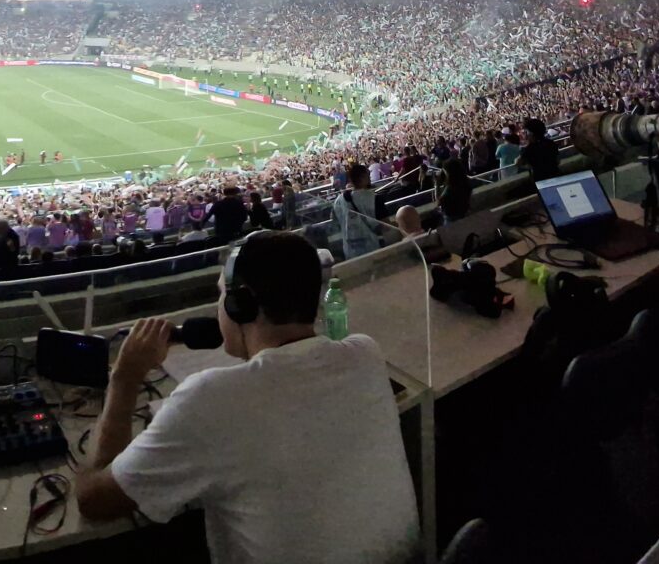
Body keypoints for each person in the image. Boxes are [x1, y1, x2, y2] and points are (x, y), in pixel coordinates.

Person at [76, 231, 417, 564]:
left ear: (240, 306)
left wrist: (124, 377)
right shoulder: (365, 353)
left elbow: (94, 501)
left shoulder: (207, 400)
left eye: (221, 295)